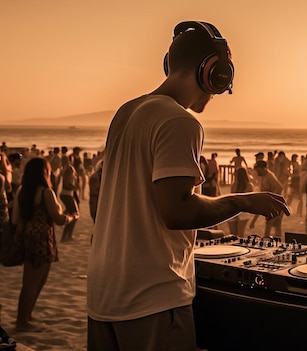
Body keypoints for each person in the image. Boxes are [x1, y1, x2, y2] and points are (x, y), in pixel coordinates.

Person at [86, 21, 289, 351]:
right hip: (152, 297)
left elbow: (134, 199)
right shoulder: (179, 121)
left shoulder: (126, 112)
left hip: (104, 290)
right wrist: (241, 201)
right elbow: (177, 212)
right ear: (213, 71)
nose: (219, 91)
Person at [13, 157, 78, 332]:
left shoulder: (21, 191)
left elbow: (15, 219)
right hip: (42, 239)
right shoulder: (46, 193)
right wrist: (72, 217)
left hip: (27, 238)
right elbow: (58, 218)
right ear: (44, 172)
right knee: (33, 282)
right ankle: (22, 321)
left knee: (36, 280)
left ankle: (27, 316)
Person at [249, 160, 284, 238]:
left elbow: (280, 187)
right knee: (274, 227)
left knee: (272, 226)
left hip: (276, 206)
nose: (257, 172)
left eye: (258, 170)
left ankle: (271, 242)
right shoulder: (263, 176)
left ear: (263, 168)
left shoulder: (269, 176)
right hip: (271, 205)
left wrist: (272, 199)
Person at [59, 155, 80, 242]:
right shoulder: (69, 169)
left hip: (67, 194)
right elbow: (66, 183)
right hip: (67, 194)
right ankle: (66, 236)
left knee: (72, 214)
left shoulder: (66, 169)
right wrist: (74, 187)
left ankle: (67, 236)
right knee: (75, 215)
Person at [228, 167, 253, 236]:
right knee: (240, 235)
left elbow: (232, 198)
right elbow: (250, 200)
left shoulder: (234, 185)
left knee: (232, 235)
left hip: (233, 210)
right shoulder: (249, 185)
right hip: (244, 211)